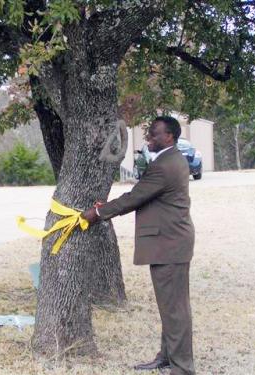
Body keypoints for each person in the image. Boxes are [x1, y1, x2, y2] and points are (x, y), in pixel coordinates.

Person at [82, 116, 195, 375]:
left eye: (154, 135)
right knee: (171, 306)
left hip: (170, 245)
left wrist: (98, 213)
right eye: (149, 134)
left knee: (175, 309)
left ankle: (182, 368)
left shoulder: (165, 166)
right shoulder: (170, 159)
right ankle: (167, 357)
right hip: (171, 243)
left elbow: (134, 197)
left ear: (170, 137)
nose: (149, 139)